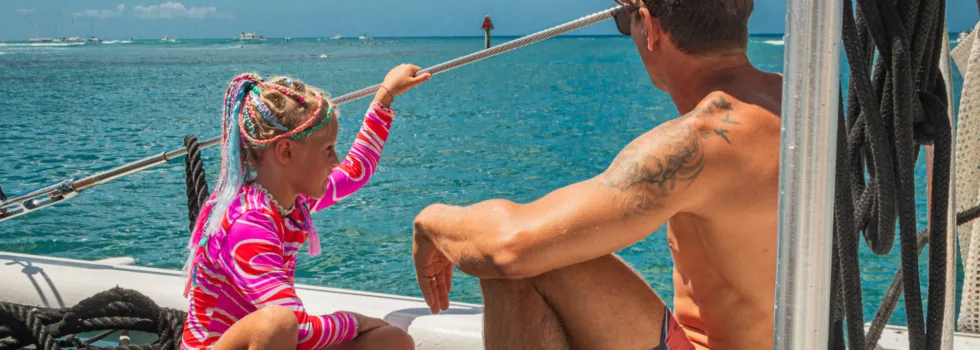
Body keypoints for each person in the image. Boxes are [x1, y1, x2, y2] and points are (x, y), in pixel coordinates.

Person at [411, 0, 782, 349]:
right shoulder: (808, 107)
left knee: (525, 264)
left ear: (651, 28)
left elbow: (509, 248)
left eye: (625, 20)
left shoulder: (695, 144)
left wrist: (430, 224)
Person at [180, 64, 431, 350]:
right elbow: (296, 328)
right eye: (327, 150)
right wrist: (356, 322)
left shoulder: (292, 203)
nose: (336, 161)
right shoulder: (247, 223)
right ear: (286, 151)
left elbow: (355, 171)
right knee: (276, 323)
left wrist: (385, 97)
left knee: (391, 341)